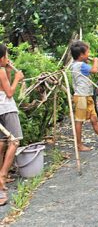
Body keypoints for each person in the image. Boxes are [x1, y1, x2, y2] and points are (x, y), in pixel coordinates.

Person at [70, 41, 98, 151]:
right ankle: (79, 145)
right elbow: (94, 70)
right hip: (81, 97)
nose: (89, 54)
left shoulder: (75, 65)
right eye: (87, 52)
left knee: (94, 119)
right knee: (79, 120)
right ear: (81, 55)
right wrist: (96, 61)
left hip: (87, 96)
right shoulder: (81, 65)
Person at [0, 44, 24, 206]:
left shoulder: (2, 71)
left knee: (2, 143)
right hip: (7, 108)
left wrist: (8, 71)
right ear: (2, 58)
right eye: (6, 56)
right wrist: (17, 78)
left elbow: (3, 85)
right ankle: (2, 176)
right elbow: (9, 93)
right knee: (15, 141)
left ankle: (1, 176)